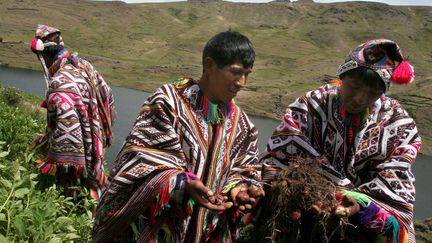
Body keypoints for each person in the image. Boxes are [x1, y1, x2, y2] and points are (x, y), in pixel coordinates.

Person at [92, 31, 264, 243]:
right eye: (236, 72)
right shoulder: (168, 102)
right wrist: (181, 182)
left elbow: (246, 167)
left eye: (247, 74)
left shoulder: (243, 125)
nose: (242, 82)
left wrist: (239, 188)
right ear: (209, 66)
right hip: (160, 228)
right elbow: (141, 156)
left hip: (205, 231)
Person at [260, 39, 421, 242]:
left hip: (362, 221)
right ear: (342, 76)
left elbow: (396, 182)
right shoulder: (310, 106)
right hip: (304, 215)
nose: (360, 99)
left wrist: (362, 204)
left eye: (374, 92)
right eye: (354, 86)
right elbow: (278, 157)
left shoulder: (398, 123)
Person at [30, 24, 116, 200]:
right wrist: (96, 131)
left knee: (75, 193)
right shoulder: (85, 66)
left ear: (44, 56)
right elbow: (108, 97)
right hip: (95, 142)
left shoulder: (59, 83)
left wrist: (58, 152)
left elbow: (66, 147)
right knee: (94, 182)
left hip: (79, 157)